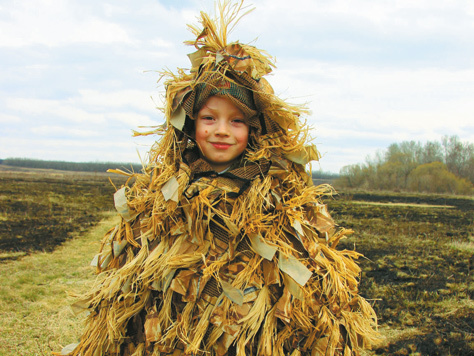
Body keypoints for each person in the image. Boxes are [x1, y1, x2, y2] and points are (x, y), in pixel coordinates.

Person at [62, 1, 379, 355]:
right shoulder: (164, 197)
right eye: (210, 118)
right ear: (191, 122)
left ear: (254, 129)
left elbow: (311, 278)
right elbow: (131, 290)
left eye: (237, 121)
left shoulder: (282, 198)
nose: (222, 131)